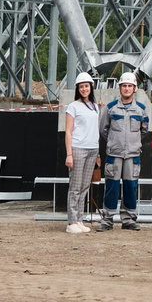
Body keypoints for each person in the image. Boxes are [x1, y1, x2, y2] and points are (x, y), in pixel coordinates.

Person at [101, 72, 152, 230]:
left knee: (130, 187)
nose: (127, 88)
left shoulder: (141, 109)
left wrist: (132, 143)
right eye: (124, 86)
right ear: (120, 88)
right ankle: (107, 220)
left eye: (130, 86)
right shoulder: (110, 108)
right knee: (111, 187)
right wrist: (114, 142)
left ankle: (129, 219)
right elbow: (103, 129)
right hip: (114, 154)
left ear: (134, 88)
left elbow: (144, 130)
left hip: (132, 155)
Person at [62, 72, 102, 234]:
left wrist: (98, 154)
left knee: (85, 186)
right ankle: (72, 221)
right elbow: (68, 132)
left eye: (86, 86)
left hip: (92, 149)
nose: (84, 89)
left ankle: (79, 219)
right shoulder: (73, 107)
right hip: (78, 148)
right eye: (81, 87)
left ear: (91, 87)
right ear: (78, 89)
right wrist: (69, 154)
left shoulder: (95, 106)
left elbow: (95, 130)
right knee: (75, 186)